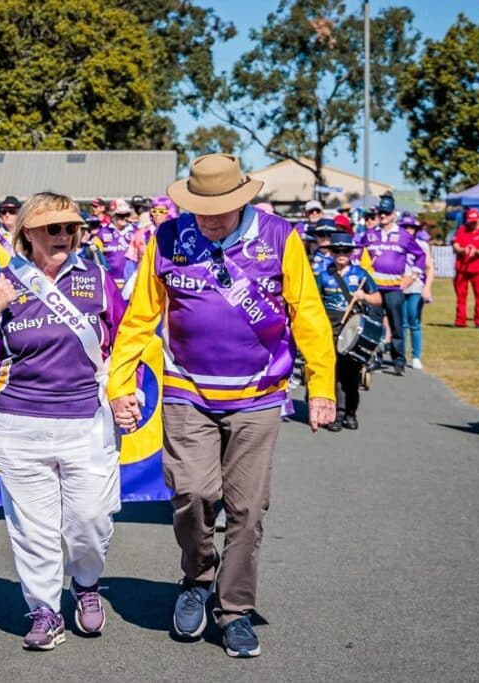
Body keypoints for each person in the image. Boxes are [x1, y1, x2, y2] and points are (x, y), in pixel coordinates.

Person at [107, 154, 336, 658]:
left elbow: (309, 315)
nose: (209, 217)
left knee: (247, 510)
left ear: (243, 200)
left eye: (221, 207)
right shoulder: (167, 239)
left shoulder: (279, 238)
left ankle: (234, 611)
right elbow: (140, 316)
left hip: (258, 395)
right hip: (188, 389)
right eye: (200, 207)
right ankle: (197, 578)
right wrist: (119, 382)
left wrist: (321, 386)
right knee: (191, 494)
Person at [0, 192, 125, 650]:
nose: (64, 237)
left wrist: (123, 392)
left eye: (71, 228)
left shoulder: (97, 278)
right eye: (53, 228)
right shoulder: (6, 280)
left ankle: (87, 585)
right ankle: (45, 611)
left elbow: (127, 340)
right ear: (28, 233)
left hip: (86, 422)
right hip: (18, 422)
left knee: (90, 520)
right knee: (32, 528)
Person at [316, 231, 382, 430]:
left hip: (352, 326)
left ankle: (351, 413)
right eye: (337, 250)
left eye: (346, 250)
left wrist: (363, 296)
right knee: (333, 374)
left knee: (351, 375)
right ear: (331, 252)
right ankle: (337, 414)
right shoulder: (323, 275)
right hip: (330, 325)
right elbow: (316, 302)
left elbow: (378, 299)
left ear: (352, 252)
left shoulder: (360, 274)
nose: (341, 254)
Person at [359, 195, 427, 376]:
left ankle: (399, 360)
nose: (383, 216)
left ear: (393, 214)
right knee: (373, 324)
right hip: (373, 288)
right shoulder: (370, 234)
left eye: (386, 213)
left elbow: (420, 256)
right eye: (380, 212)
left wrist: (412, 277)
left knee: (397, 325)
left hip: (394, 287)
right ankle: (375, 357)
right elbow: (358, 252)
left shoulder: (404, 235)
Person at [399, 214, 435, 369]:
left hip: (416, 286)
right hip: (399, 285)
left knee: (414, 320)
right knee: (401, 322)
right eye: (405, 227)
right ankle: (401, 355)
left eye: (411, 227)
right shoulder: (397, 243)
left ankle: (415, 356)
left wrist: (427, 287)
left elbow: (429, 267)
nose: (409, 230)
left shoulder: (422, 245)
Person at [452, 208, 479, 328]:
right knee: (461, 296)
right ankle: (460, 321)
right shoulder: (462, 229)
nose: (472, 223)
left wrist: (477, 252)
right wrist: (462, 250)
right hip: (462, 268)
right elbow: (456, 245)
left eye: (474, 221)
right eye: (470, 221)